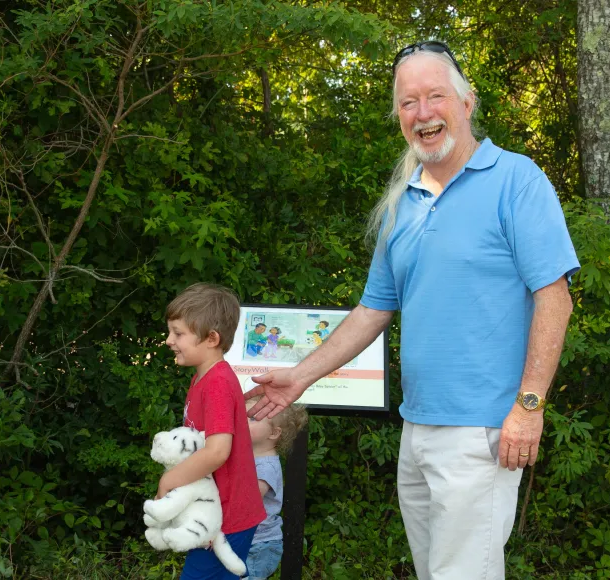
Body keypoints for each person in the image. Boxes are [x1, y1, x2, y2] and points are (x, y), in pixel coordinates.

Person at [246, 40, 579, 580]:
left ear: (467, 102)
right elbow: (372, 310)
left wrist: (530, 405)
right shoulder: (404, 201)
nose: (422, 113)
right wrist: (298, 378)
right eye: (407, 102)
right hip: (416, 430)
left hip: (483, 433)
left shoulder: (517, 180)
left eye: (435, 96)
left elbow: (554, 297)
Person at [163, 283, 266, 579]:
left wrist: (170, 480)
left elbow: (217, 451)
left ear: (211, 338)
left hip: (228, 515)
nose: (169, 340)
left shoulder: (218, 382)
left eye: (178, 333)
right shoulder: (202, 379)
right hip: (212, 509)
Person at [244, 395, 309, 579]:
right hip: (250, 540)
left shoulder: (266, 467)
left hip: (258, 545)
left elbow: (247, 500)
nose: (241, 422)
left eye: (252, 419)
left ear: (273, 433)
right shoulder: (252, 458)